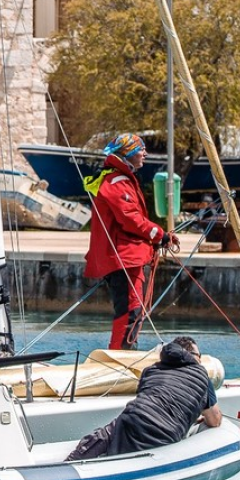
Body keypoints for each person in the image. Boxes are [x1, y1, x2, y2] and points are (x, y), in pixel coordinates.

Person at [84, 132, 178, 350]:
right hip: (122, 257)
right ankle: (120, 355)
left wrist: (157, 237)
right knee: (130, 310)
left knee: (134, 310)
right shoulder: (116, 181)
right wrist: (159, 234)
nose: (145, 153)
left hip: (128, 257)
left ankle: (125, 351)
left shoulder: (122, 179)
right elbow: (131, 219)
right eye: (140, 149)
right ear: (128, 153)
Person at [65, 336, 222, 461]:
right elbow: (215, 420)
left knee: (97, 441)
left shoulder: (151, 370)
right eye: (199, 356)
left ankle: (66, 468)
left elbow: (150, 400)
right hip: (164, 435)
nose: (201, 360)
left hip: (132, 420)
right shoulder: (201, 374)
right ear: (193, 356)